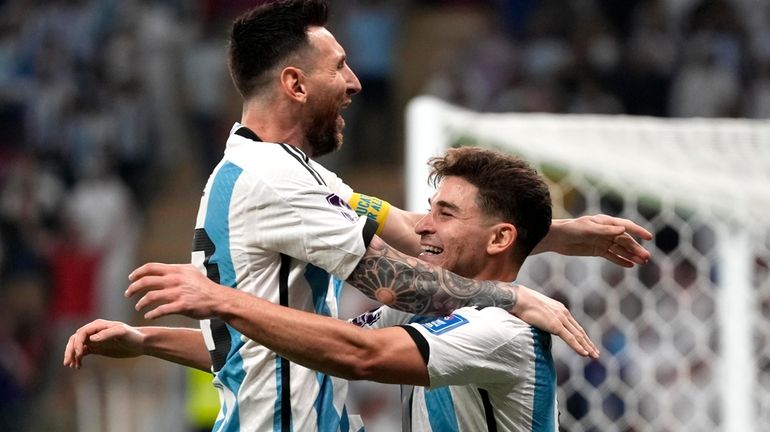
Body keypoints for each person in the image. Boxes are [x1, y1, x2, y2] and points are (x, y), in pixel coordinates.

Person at [64, 1, 651, 431]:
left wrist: (557, 235)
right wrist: (514, 295)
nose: (355, 81)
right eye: (339, 66)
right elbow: (388, 297)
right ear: (294, 83)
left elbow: (406, 234)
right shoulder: (276, 178)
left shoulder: (291, 174)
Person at [68, 146, 566, 431]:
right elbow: (298, 345)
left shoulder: (503, 329)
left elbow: (357, 355)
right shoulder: (428, 314)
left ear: (501, 238)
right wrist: (145, 341)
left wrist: (223, 298)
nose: (423, 227)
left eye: (445, 214)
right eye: (428, 210)